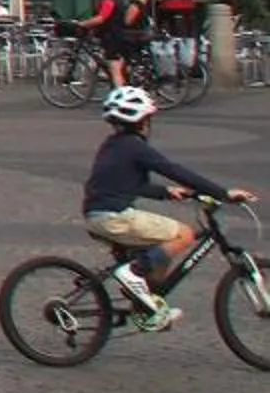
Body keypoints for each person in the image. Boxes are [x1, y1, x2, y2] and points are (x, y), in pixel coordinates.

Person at [80, 84, 255, 331]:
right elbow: (174, 170)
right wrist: (223, 193)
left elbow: (132, 185)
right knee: (183, 234)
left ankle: (147, 307)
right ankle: (134, 272)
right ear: (143, 121)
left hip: (97, 214)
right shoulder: (136, 147)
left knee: (159, 249)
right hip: (115, 217)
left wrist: (166, 192)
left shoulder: (113, 146)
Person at [80, 0, 151, 89]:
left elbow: (102, 18)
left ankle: (120, 93)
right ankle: (122, 87)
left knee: (114, 66)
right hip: (120, 36)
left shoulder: (110, 1)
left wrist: (83, 24)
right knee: (118, 65)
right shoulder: (121, 1)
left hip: (115, 36)